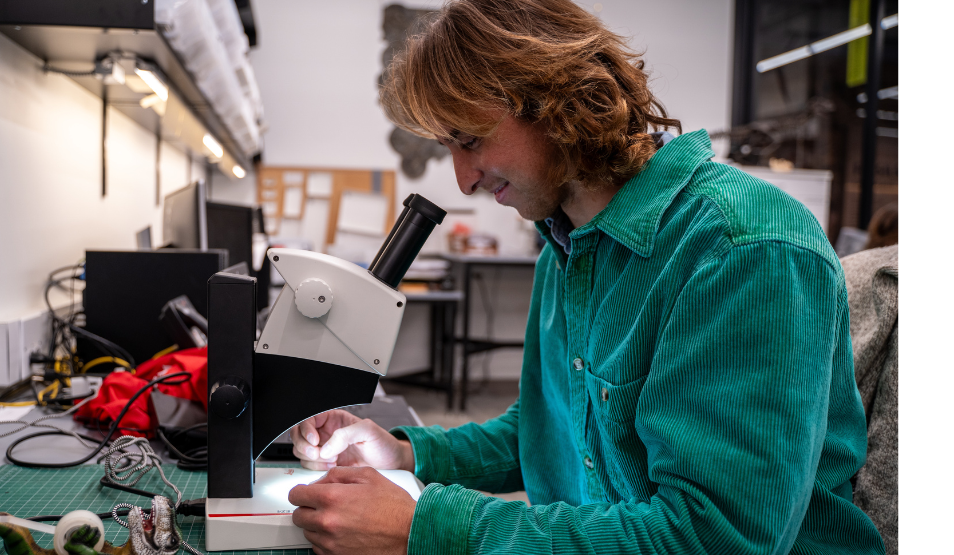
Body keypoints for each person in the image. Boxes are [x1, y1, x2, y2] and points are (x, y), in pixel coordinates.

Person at [286, 1, 885, 553]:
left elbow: (715, 538)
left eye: (469, 140)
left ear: (552, 97)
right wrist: (407, 453)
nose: (464, 179)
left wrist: (432, 527)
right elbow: (553, 429)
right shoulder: (567, 244)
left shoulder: (741, 251)